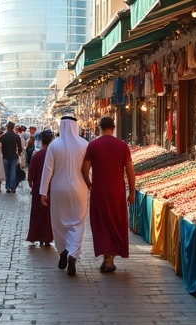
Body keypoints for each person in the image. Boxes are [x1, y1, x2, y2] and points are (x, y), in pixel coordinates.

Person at [81, 115, 136, 273]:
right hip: (117, 191)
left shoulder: (93, 145)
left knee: (101, 223)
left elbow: (84, 170)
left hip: (99, 191)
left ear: (99, 127)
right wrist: (131, 192)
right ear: (114, 127)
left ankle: (107, 258)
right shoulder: (123, 146)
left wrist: (89, 184)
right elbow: (130, 172)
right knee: (115, 222)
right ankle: (110, 260)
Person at [40, 114, 90, 276]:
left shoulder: (54, 145)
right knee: (77, 223)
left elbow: (47, 170)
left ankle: (62, 252)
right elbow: (90, 169)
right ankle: (73, 255)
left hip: (58, 189)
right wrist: (92, 185)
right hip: (79, 189)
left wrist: (43, 191)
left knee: (59, 223)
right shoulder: (84, 144)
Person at [27, 129, 55, 246]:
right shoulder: (54, 155)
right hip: (51, 188)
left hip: (38, 188)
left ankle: (36, 236)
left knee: (37, 213)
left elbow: (31, 174)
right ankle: (47, 237)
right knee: (49, 214)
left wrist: (31, 185)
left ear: (42, 141)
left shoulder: (37, 156)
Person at [0, 120, 23, 193]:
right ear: (13, 128)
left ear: (7, 127)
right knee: (13, 172)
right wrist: (19, 153)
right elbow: (20, 148)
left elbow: (0, 146)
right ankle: (13, 187)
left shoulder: (3, 137)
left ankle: (8, 187)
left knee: (7, 172)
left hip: (5, 156)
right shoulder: (16, 136)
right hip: (13, 156)